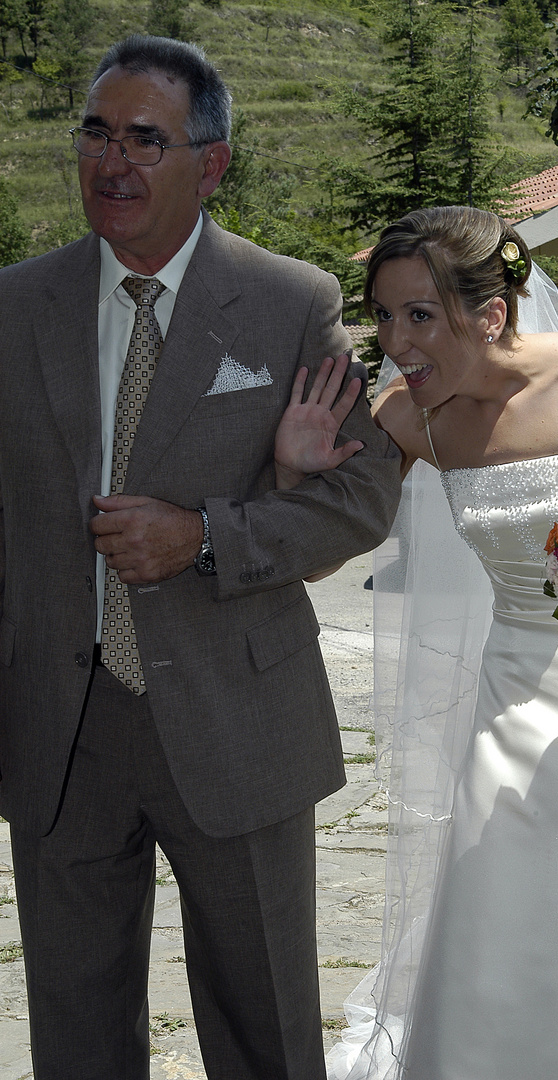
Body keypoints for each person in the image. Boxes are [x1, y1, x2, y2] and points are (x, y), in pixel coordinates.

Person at [0, 34, 402, 1080]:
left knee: (264, 1028)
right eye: (95, 133)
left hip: (238, 723)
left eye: (146, 139)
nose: (113, 162)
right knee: (75, 1041)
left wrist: (209, 535)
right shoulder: (12, 307)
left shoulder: (290, 301)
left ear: (210, 164)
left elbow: (361, 496)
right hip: (57, 732)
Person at [274, 206, 558, 1079]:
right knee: (508, 911)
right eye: (387, 315)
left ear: (491, 313)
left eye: (421, 315)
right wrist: (296, 464)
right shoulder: (410, 419)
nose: (397, 342)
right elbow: (329, 533)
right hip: (512, 701)